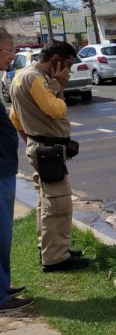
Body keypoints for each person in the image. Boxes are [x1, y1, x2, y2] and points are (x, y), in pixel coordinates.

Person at [9, 40, 89, 272]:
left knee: (47, 202)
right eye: (67, 65)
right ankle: (56, 258)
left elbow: (16, 119)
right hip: (46, 151)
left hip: (43, 149)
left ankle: (51, 248)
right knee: (58, 204)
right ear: (55, 61)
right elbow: (57, 109)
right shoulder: (35, 79)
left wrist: (33, 142)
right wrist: (59, 84)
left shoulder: (22, 76)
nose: (69, 71)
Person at [0, 27, 33, 312]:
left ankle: (2, 286)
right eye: (9, 51)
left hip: (5, 167)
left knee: (4, 234)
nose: (12, 56)